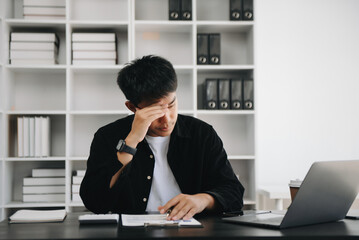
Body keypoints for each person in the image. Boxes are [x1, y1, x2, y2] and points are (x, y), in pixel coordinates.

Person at [80, 55, 244, 220]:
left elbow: (233, 192)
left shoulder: (201, 133)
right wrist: (131, 142)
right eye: (154, 112)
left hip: (191, 230)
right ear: (132, 107)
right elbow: (94, 202)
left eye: (171, 105)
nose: (167, 119)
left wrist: (203, 200)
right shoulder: (107, 136)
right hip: (131, 232)